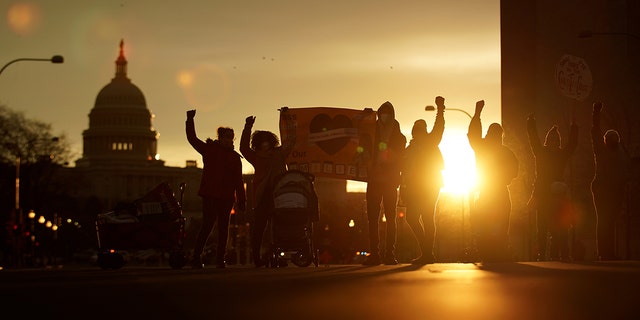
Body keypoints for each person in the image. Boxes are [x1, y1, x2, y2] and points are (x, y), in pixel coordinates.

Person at [185, 109, 246, 269]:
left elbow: (238, 180)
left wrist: (242, 200)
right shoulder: (209, 150)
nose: (229, 141)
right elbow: (192, 139)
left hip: (226, 197)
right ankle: (196, 257)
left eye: (231, 138)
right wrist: (190, 120)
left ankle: (220, 259)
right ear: (220, 138)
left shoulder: (235, 157)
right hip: (210, 195)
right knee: (208, 225)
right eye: (227, 138)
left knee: (224, 228)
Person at [240, 114, 295, 267]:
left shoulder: (279, 153)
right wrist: (247, 127)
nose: (265, 146)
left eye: (267, 143)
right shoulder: (256, 156)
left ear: (271, 143)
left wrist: (288, 120)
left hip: (278, 195)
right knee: (259, 228)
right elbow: (243, 148)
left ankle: (274, 255)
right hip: (263, 197)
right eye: (262, 143)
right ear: (258, 145)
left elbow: (291, 141)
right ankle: (258, 257)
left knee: (276, 229)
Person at [467, 100, 518, 262]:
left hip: (493, 193)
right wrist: (477, 115)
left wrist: (477, 114)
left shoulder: (492, 149)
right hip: (491, 193)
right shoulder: (493, 149)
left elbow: (513, 170)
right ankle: (492, 252)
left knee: (495, 226)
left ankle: (492, 252)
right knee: (492, 226)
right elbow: (474, 134)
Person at [526, 113, 578, 261]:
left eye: (556, 140)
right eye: (552, 139)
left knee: (559, 228)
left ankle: (559, 255)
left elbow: (573, 144)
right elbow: (533, 139)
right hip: (543, 195)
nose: (554, 142)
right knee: (542, 228)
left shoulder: (561, 154)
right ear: (547, 141)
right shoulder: (541, 153)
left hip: (557, 195)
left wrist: (574, 126)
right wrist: (531, 122)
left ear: (559, 142)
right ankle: (542, 255)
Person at [401, 96, 445, 265]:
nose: (417, 132)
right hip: (413, 187)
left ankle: (427, 253)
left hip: (430, 184)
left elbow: (439, 127)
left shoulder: (431, 142)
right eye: (416, 129)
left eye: (420, 129)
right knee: (412, 217)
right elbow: (403, 168)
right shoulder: (409, 148)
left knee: (427, 217)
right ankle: (427, 251)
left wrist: (440, 108)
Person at [364, 101, 406, 265]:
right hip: (374, 180)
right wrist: (364, 118)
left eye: (387, 113)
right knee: (372, 219)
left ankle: (390, 254)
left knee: (391, 218)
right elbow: (359, 137)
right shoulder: (371, 132)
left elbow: (399, 158)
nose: (384, 116)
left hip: (390, 182)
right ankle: (375, 253)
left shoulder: (399, 138)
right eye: (382, 113)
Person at [590, 102, 630, 260]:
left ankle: (609, 252)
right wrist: (596, 113)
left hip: (617, 188)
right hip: (602, 188)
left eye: (614, 139)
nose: (612, 141)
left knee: (610, 220)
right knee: (604, 219)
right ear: (606, 140)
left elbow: (628, 167)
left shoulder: (621, 153)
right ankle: (603, 252)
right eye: (610, 139)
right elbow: (595, 131)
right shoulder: (601, 149)